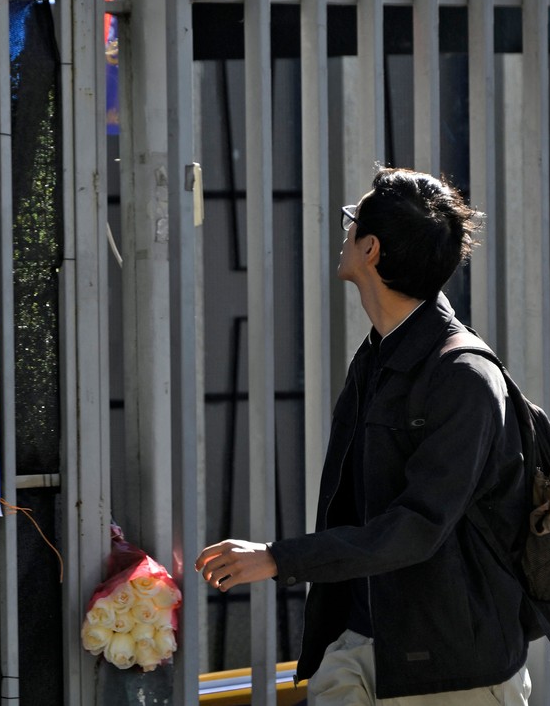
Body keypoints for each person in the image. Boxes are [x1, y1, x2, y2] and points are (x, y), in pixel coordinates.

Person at [195, 167, 532, 704]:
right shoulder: (379, 353)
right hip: (360, 647)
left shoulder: (464, 377)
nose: (344, 230)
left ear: (371, 249)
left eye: (352, 221)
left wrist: (280, 557)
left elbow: (417, 527)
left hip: (453, 672)